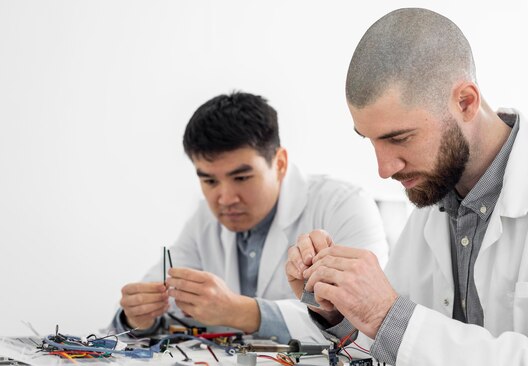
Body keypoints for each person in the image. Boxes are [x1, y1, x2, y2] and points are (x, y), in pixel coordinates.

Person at [285, 8, 528, 366]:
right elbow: (398, 355)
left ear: (465, 102)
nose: (383, 167)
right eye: (370, 141)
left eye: (399, 137)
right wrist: (339, 309)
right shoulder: (431, 207)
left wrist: (389, 315)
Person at [112, 91, 388, 343]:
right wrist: (136, 318)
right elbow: (149, 305)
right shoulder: (204, 221)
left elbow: (363, 318)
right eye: (209, 181)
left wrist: (239, 311)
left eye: (241, 177)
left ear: (279, 163)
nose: (225, 198)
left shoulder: (342, 205)